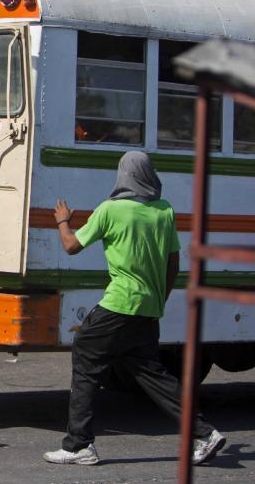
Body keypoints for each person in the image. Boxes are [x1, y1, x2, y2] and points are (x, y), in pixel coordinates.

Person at [44, 151, 225, 466]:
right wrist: (160, 299)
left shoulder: (111, 210)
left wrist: (62, 222)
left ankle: (79, 445)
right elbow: (173, 262)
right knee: (151, 374)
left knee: (85, 355)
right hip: (148, 308)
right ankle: (204, 433)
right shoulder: (164, 210)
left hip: (119, 304)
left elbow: (71, 246)